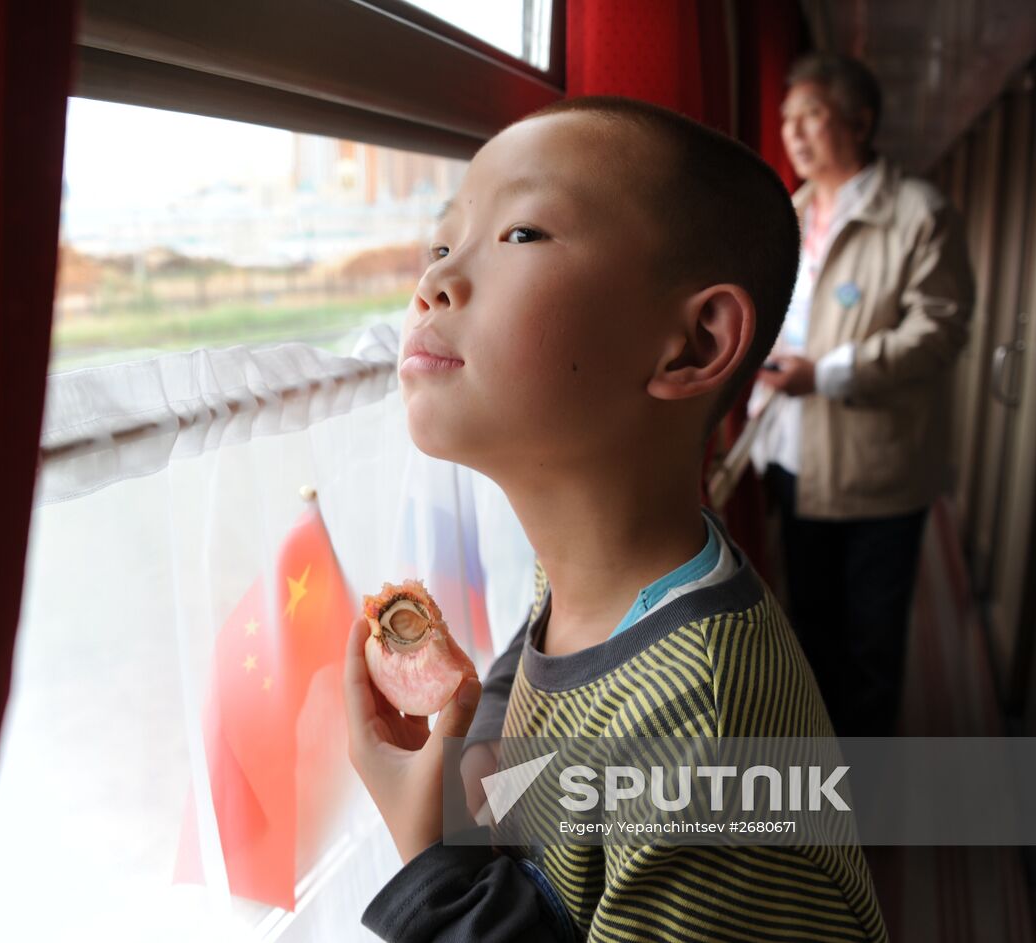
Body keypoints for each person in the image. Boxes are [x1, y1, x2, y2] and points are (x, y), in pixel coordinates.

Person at [342, 96, 888, 942]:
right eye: (441, 246)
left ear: (695, 343)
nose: (431, 285)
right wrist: (470, 762)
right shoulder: (593, 572)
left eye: (521, 233)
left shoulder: (707, 766)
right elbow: (542, 680)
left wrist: (431, 863)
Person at [749, 54, 975, 738]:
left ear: (860, 120)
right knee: (810, 626)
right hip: (791, 454)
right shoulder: (788, 212)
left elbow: (939, 329)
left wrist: (826, 374)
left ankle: (869, 786)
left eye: (811, 115)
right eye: (786, 118)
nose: (793, 132)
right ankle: (825, 768)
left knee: (870, 640)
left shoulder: (919, 214)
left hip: (875, 470)